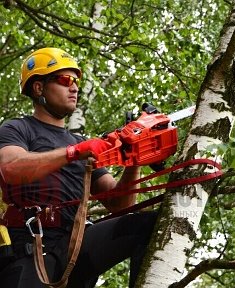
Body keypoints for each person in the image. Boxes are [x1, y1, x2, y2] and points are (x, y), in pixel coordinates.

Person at [0, 47, 157, 288]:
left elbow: (119, 204)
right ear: (38, 88)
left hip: (75, 245)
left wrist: (133, 157)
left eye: (75, 81)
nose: (74, 87)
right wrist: (74, 153)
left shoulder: (79, 144)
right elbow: (11, 168)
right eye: (65, 80)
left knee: (148, 225)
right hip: (30, 248)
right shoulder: (17, 129)